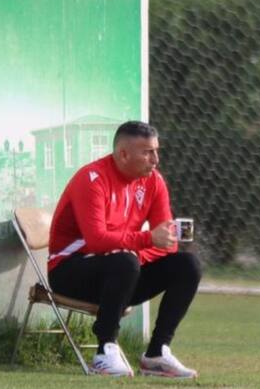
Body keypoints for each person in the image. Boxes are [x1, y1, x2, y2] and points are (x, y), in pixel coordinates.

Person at [47, 120, 201, 377]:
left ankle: (156, 353)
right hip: (69, 271)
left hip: (120, 275)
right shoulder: (92, 178)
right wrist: (146, 241)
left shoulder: (154, 181)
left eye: (156, 150)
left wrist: (146, 248)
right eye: (147, 152)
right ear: (123, 154)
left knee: (188, 265)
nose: (155, 159)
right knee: (126, 261)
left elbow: (168, 242)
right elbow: (97, 240)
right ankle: (104, 352)